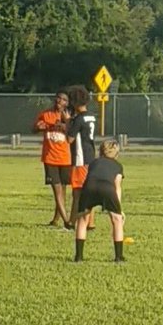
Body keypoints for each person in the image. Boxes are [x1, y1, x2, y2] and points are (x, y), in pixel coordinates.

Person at [73, 139, 126, 263]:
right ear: (116, 154)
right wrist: (119, 210)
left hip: (89, 187)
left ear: (101, 152)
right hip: (107, 188)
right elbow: (117, 186)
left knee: (83, 219)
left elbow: (90, 176)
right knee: (116, 221)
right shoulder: (118, 166)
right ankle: (119, 257)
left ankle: (79, 257)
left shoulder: (94, 162)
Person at [33, 90, 72, 229]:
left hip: (65, 158)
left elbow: (73, 131)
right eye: (58, 98)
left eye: (62, 99)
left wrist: (65, 124)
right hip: (50, 158)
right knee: (57, 190)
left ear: (67, 103)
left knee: (63, 190)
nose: (59, 101)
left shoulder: (68, 116)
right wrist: (38, 127)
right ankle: (67, 220)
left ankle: (56, 218)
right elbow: (34, 128)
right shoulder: (46, 114)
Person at [65, 86, 96, 230]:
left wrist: (67, 122)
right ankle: (90, 222)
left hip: (80, 158)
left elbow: (70, 139)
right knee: (89, 190)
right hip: (90, 156)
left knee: (77, 193)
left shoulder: (78, 119)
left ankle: (72, 221)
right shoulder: (92, 116)